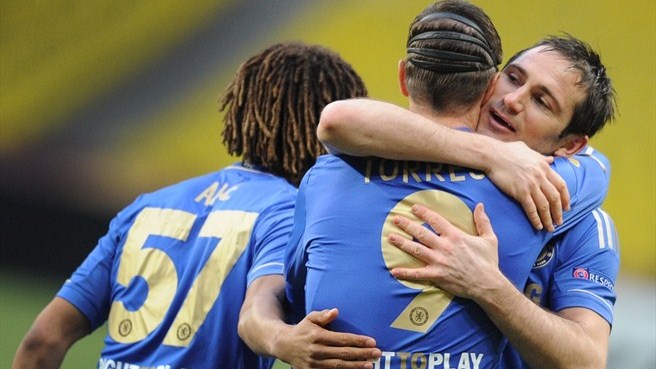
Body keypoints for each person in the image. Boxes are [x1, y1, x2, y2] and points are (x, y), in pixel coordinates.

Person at [284, 1, 613, 368]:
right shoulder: (370, 149)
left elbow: (587, 361)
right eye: (514, 78)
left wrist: (491, 287)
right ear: (490, 79)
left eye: (542, 101)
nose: (512, 100)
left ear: (570, 146)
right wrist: (492, 154)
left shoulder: (573, 210)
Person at [12, 42, 372, 369]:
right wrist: (284, 339)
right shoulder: (287, 212)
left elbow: (43, 340)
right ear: (324, 131)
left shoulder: (147, 206)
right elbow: (259, 308)